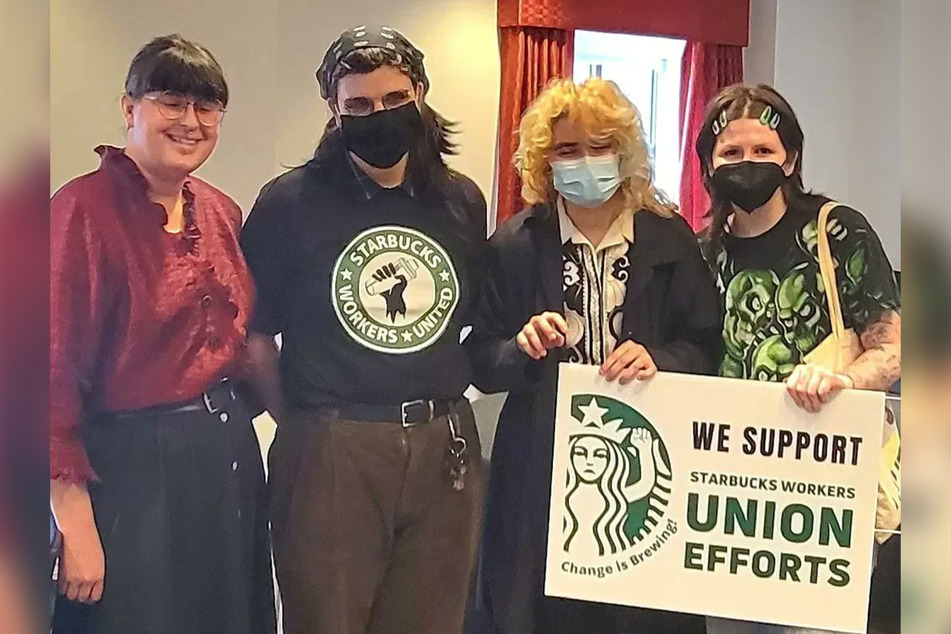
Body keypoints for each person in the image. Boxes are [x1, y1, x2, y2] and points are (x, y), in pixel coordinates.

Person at [240, 25, 487, 634]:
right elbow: (252, 337)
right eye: (359, 105)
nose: (379, 115)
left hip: (444, 444)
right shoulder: (288, 202)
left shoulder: (460, 200)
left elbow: (474, 322)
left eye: (395, 100)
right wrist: (300, 424)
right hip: (332, 442)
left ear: (421, 93)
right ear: (335, 109)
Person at [468, 77, 720, 634]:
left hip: (648, 454)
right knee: (536, 605)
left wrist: (662, 359)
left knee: (639, 607)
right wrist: (520, 347)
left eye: (601, 146)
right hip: (539, 456)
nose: (586, 161)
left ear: (624, 152)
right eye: (567, 150)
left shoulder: (669, 238)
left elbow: (707, 346)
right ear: (543, 162)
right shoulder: (514, 243)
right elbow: (480, 360)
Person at [50, 35, 275, 634]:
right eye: (171, 102)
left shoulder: (223, 211)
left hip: (225, 455)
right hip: (129, 473)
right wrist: (76, 528)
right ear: (129, 109)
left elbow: (248, 345)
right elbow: (46, 379)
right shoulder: (80, 213)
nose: (191, 122)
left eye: (207, 108)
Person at [697, 84, 901, 634]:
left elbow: (892, 348)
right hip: (731, 497)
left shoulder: (838, 233)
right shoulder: (701, 253)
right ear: (708, 164)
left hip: (824, 488)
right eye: (731, 154)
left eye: (763, 151)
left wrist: (840, 378)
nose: (748, 164)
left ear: (790, 157)